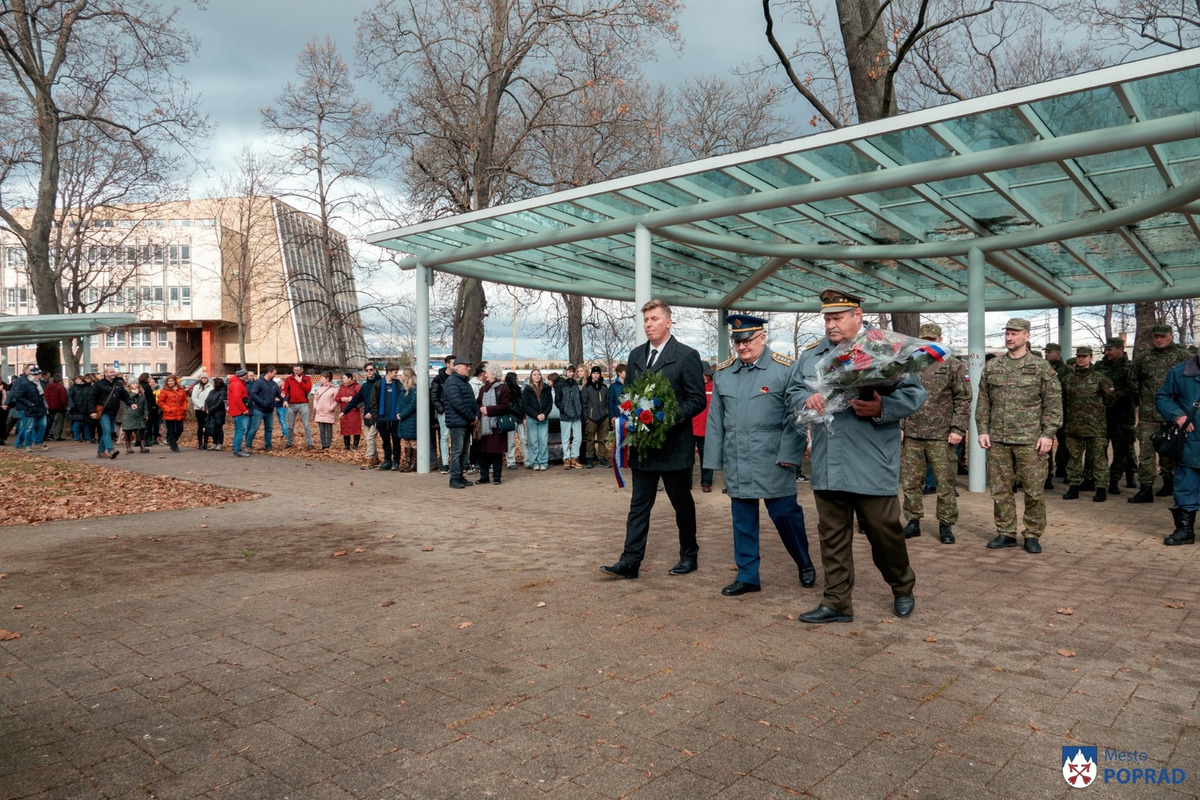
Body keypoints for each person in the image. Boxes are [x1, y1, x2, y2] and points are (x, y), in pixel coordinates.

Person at [785, 289, 924, 622]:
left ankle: (902, 585)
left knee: (883, 530)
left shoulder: (885, 349)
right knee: (832, 534)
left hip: (871, 457)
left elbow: (915, 393)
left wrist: (883, 406)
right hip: (828, 458)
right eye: (827, 318)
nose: (831, 325)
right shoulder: (810, 356)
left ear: (858, 316)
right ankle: (836, 602)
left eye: (838, 318)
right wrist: (806, 401)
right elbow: (791, 391)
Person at [705, 314, 815, 596]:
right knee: (743, 520)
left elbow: (796, 417)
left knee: (785, 516)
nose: (741, 347)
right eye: (736, 341)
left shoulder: (784, 369)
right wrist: (714, 461)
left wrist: (790, 454)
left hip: (774, 459)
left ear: (762, 338)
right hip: (739, 458)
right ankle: (748, 575)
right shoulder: (724, 373)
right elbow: (716, 421)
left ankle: (804, 562)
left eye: (747, 340)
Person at [601, 299, 706, 579]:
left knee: (681, 503)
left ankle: (689, 555)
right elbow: (630, 396)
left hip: (674, 445)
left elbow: (697, 399)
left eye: (655, 319)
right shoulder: (636, 355)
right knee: (639, 505)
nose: (649, 325)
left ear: (668, 321)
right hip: (644, 447)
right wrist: (626, 415)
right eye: (646, 320)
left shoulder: (686, 355)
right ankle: (630, 561)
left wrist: (667, 417)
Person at [975, 318, 1063, 554]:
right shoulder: (993, 367)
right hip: (999, 440)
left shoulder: (1041, 367)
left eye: (1014, 333)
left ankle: (1032, 534)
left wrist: (1048, 434)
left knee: (1034, 490)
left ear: (1027, 336)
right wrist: (982, 429)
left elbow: (1053, 404)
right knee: (1000, 489)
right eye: (1007, 333)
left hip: (1030, 440)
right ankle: (1006, 532)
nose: (1009, 338)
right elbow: (983, 402)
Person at [900, 323, 970, 544]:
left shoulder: (953, 365)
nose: (929, 342)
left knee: (945, 483)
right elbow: (901, 396)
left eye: (933, 338)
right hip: (912, 432)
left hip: (942, 435)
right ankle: (913, 521)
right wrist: (900, 426)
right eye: (925, 339)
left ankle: (945, 524)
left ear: (940, 338)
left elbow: (963, 399)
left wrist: (958, 428)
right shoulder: (910, 365)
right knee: (911, 481)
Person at [1130, 324, 1191, 503]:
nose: (1159, 340)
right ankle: (1146, 488)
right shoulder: (1144, 358)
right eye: (1156, 336)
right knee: (1146, 453)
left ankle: (1169, 482)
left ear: (1171, 336)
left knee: (1171, 452)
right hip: (1148, 414)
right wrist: (1144, 399)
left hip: (1175, 415)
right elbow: (1133, 382)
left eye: (1163, 336)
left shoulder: (1183, 357)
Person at [1155, 351, 1200, 545]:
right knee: (1186, 487)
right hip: (1191, 441)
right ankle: (1184, 530)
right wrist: (1177, 416)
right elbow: (1162, 397)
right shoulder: (1179, 373)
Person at [1061, 346, 1115, 502]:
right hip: (1073, 426)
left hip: (1095, 427)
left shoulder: (1100, 378)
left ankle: (1100, 488)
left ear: (1091, 358)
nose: (1081, 359)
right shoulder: (1068, 379)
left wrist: (1096, 412)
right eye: (1078, 356)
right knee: (1074, 459)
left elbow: (1111, 398)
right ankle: (1073, 487)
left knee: (1099, 459)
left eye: (1084, 356)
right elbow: (1061, 400)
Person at [1095, 337, 1137, 495]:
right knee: (1100, 450)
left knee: (1121, 451)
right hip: (1102, 415)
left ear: (1120, 349)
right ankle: (1101, 480)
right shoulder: (1100, 366)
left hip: (1123, 414)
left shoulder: (1130, 367)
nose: (1107, 353)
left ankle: (1115, 480)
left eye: (1110, 349)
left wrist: (1115, 395)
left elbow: (1133, 389)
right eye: (1106, 349)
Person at [443, 357, 479, 488]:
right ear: (458, 367)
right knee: (457, 451)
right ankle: (454, 478)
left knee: (464, 451)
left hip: (465, 422)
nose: (469, 368)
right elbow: (458, 404)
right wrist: (472, 417)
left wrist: (476, 416)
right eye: (466, 366)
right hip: (458, 423)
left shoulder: (464, 382)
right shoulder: (452, 382)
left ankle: (460, 475)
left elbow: (471, 402)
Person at [89, 366, 136, 459]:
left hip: (113, 411)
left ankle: (100, 452)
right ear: (105, 374)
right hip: (103, 412)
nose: (113, 373)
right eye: (111, 372)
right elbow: (91, 398)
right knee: (106, 430)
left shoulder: (118, 384)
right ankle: (111, 450)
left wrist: (131, 403)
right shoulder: (99, 384)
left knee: (109, 431)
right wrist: (92, 411)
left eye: (114, 372)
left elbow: (125, 395)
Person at [475, 365, 512, 484]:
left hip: (496, 425)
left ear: (494, 374)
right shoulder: (483, 388)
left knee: (496, 452)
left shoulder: (503, 388)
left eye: (487, 372)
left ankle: (497, 477)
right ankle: (484, 476)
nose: (485, 374)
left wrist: (488, 410)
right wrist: (481, 409)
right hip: (483, 425)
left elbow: (505, 406)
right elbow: (478, 403)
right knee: (482, 452)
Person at [343, 362, 382, 467]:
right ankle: (375, 458)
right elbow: (356, 400)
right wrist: (345, 411)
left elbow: (381, 401)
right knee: (369, 438)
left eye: (371, 370)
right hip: (367, 416)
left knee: (370, 437)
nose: (369, 372)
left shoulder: (380, 383)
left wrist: (373, 412)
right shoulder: (365, 386)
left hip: (377, 416)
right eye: (367, 370)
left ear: (374, 370)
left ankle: (369, 458)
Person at [368, 363, 404, 470]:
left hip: (395, 419)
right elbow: (373, 401)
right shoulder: (378, 385)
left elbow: (401, 399)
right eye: (395, 372)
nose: (396, 374)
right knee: (386, 442)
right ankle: (387, 461)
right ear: (388, 372)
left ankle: (396, 462)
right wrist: (376, 415)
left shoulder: (398, 385)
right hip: (382, 418)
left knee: (396, 441)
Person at [1043, 343, 1071, 486]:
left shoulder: (1065, 370)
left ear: (1058, 353)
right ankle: (1046, 476)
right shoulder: (1044, 367)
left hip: (1062, 412)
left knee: (1065, 443)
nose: (1046, 354)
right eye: (1046, 352)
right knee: (1045, 443)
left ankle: (1064, 470)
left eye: (1049, 352)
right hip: (1045, 413)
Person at [246, 366, 285, 452]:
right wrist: (262, 402)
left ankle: (268, 446)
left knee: (269, 429)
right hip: (259, 409)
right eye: (274, 373)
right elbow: (253, 394)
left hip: (269, 411)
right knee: (254, 428)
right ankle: (248, 446)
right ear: (269, 372)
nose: (275, 375)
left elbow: (279, 394)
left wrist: (284, 400)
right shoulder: (258, 382)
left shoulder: (274, 384)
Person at [10, 366, 48, 453]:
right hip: (30, 408)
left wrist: (45, 407)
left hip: (40, 408)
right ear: (35, 375)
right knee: (29, 427)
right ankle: (28, 445)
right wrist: (29, 404)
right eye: (39, 374)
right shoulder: (25, 383)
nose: (40, 376)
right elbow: (18, 396)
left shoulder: (39, 383)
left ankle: (38, 443)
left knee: (43, 425)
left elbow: (42, 397)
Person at [522, 368, 553, 471]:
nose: (537, 376)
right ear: (531, 376)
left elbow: (550, 404)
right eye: (534, 375)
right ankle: (534, 462)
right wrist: (536, 415)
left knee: (543, 440)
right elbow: (525, 405)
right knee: (533, 442)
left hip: (544, 418)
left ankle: (543, 461)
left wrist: (544, 414)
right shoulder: (527, 389)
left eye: (539, 374)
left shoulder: (546, 388)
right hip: (532, 418)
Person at [580, 366, 610, 468]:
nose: (596, 375)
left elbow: (607, 402)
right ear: (591, 374)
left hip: (604, 417)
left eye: (597, 373)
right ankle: (589, 458)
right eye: (594, 373)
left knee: (602, 440)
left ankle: (602, 458)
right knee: (590, 440)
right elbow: (584, 404)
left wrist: (607, 414)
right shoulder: (587, 388)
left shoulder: (604, 387)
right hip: (591, 418)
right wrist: (586, 418)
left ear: (600, 374)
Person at [555, 365, 583, 469]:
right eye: (569, 371)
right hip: (565, 415)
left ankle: (574, 457)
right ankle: (566, 458)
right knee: (565, 438)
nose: (571, 373)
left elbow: (578, 398)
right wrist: (564, 409)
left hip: (576, 415)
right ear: (565, 372)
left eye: (572, 371)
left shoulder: (575, 383)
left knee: (578, 437)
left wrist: (579, 410)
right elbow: (557, 400)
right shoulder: (560, 384)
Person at [431, 355, 455, 473]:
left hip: (457, 411)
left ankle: (455, 462)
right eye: (453, 363)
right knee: (444, 437)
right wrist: (442, 410)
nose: (455, 365)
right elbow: (434, 397)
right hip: (444, 411)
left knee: (456, 437)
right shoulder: (438, 379)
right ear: (447, 364)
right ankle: (445, 463)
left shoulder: (458, 378)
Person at [694, 362, 714, 492]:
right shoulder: (690, 386)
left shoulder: (714, 387)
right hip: (690, 427)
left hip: (707, 428)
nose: (706, 377)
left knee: (707, 457)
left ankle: (706, 482)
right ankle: (686, 482)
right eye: (703, 374)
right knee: (687, 458)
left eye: (707, 375)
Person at [283, 364, 314, 449]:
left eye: (298, 370)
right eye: (295, 370)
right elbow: (285, 390)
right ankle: (289, 443)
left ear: (302, 370)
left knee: (306, 425)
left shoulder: (306, 379)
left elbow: (308, 389)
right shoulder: (289, 379)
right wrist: (285, 400)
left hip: (303, 404)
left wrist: (300, 381)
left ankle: (309, 443)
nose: (296, 372)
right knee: (290, 425)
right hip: (291, 404)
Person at [157, 375, 188, 453]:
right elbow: (160, 402)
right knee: (171, 431)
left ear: (175, 381)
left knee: (180, 429)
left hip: (179, 412)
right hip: (169, 413)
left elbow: (185, 400)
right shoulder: (164, 390)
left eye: (171, 381)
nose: (170, 382)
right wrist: (168, 409)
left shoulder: (181, 389)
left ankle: (172, 441)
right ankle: (174, 446)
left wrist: (184, 408)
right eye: (169, 381)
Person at [396, 368, 419, 472]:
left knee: (413, 441)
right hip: (403, 418)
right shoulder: (403, 389)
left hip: (411, 418)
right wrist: (398, 413)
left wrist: (402, 414)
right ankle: (407, 462)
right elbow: (399, 402)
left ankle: (414, 463)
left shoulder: (414, 388)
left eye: (403, 374)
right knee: (405, 441)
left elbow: (413, 404)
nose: (401, 376)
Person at [312, 371, 340, 451]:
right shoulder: (319, 389)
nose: (321, 379)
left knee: (328, 429)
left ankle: (328, 444)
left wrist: (331, 407)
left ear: (327, 379)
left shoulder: (334, 389)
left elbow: (336, 400)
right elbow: (315, 398)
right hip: (320, 411)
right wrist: (316, 407)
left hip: (328, 412)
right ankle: (323, 444)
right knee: (321, 429)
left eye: (322, 378)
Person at [504, 371, 526, 469]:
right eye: (516, 378)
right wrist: (520, 412)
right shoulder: (506, 390)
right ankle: (510, 461)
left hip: (518, 417)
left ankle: (527, 460)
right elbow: (509, 405)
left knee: (524, 440)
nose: (517, 380)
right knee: (511, 441)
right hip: (511, 418)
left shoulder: (519, 390)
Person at [228, 369, 252, 457]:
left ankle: (237, 449)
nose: (247, 376)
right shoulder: (237, 384)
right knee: (240, 430)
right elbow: (237, 398)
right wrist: (243, 409)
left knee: (238, 430)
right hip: (238, 410)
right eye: (246, 375)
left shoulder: (236, 383)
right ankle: (237, 450)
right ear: (242, 376)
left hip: (236, 410)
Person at [121, 381, 149, 453]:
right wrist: (134, 394)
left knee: (141, 430)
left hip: (139, 415)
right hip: (129, 415)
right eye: (133, 383)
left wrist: (146, 413)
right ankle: (128, 447)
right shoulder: (126, 393)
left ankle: (142, 447)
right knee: (128, 431)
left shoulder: (141, 393)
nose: (135, 385)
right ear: (130, 385)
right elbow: (127, 401)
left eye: (137, 383)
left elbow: (145, 404)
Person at [336, 372, 362, 451]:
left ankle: (355, 446)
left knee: (355, 428)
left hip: (353, 410)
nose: (343, 380)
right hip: (344, 410)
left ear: (350, 378)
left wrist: (353, 399)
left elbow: (361, 397)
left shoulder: (357, 387)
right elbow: (337, 397)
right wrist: (341, 399)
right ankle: (346, 446)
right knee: (345, 428)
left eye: (344, 378)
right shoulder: (341, 387)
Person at [68, 375, 94, 443]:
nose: (77, 380)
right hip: (76, 408)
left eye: (79, 379)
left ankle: (86, 437)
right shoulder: (73, 388)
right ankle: (77, 437)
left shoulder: (88, 388)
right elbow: (70, 397)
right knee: (77, 423)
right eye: (76, 379)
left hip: (85, 407)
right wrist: (72, 406)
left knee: (86, 423)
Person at [204, 377, 227, 450]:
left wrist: (210, 409)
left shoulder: (223, 392)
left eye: (213, 382)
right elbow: (206, 400)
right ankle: (214, 443)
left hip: (219, 413)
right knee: (213, 428)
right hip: (211, 413)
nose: (212, 384)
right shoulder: (212, 391)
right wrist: (207, 408)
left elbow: (219, 402)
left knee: (218, 428)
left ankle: (219, 443)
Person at [192, 375, 214, 450]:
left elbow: (211, 398)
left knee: (207, 426)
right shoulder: (197, 387)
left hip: (207, 409)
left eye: (205, 378)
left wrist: (208, 407)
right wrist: (201, 406)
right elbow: (194, 398)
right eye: (203, 378)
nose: (204, 379)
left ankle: (206, 443)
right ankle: (200, 443)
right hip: (199, 409)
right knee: (200, 426)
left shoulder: (211, 387)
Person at [138, 373, 160, 446]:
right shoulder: (147, 387)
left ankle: (139, 440)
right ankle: (147, 440)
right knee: (149, 424)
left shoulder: (139, 385)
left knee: (141, 424)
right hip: (148, 407)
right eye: (149, 378)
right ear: (146, 378)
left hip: (140, 407)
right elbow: (151, 398)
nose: (150, 379)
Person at [44, 375, 68, 441]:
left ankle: (50, 434)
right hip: (59, 407)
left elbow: (45, 397)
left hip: (49, 407)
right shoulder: (61, 387)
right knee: (58, 422)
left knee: (51, 421)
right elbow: (63, 399)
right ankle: (56, 436)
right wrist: (64, 407)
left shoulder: (47, 387)